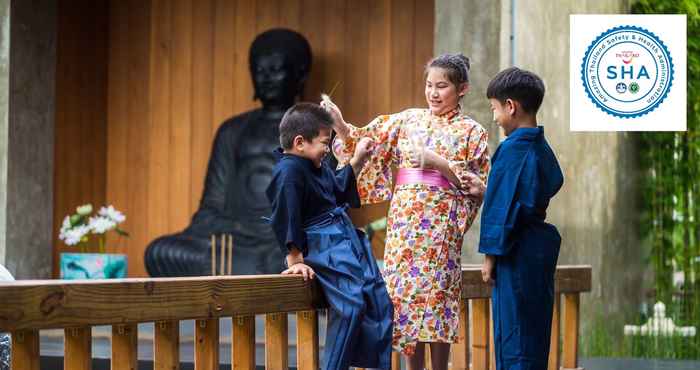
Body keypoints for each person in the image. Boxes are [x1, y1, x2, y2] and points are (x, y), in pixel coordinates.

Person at [323, 53, 490, 370]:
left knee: (437, 301)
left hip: (441, 227)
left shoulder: (473, 132)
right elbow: (367, 143)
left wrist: (438, 163)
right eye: (429, 85)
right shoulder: (408, 119)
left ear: (463, 88)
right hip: (405, 226)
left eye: (442, 86)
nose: (433, 93)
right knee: (402, 301)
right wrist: (341, 125)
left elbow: (478, 186)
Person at [145, 29, 312, 276]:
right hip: (235, 239)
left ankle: (255, 270)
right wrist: (237, 226)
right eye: (259, 70)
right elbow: (211, 205)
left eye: (275, 70)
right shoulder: (232, 131)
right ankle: (250, 271)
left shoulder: (316, 130)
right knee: (160, 252)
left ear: (299, 74)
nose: (265, 78)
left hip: (281, 243)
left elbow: (323, 205)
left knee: (309, 256)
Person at [265, 103, 393, 370]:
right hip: (322, 242)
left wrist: (357, 160)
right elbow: (286, 215)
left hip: (343, 236)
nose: (328, 148)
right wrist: (295, 259)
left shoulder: (315, 163)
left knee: (379, 300)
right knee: (351, 306)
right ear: (300, 142)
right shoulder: (288, 171)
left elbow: (335, 190)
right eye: (325, 142)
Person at [479, 67, 564, 370]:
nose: (495, 117)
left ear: (511, 107)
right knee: (534, 332)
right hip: (536, 253)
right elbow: (549, 183)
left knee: (514, 335)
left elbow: (501, 207)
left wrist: (490, 257)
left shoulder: (512, 149)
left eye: (494, 109)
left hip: (514, 251)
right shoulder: (541, 147)